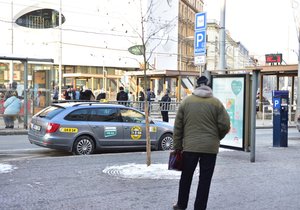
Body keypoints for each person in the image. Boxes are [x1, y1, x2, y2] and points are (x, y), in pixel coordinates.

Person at [173, 76, 231, 210]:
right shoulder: (216, 103)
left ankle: (181, 205)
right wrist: (217, 138)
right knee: (205, 180)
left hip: (190, 147)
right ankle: (199, 207)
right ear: (208, 85)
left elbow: (178, 127)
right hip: (210, 148)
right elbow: (225, 125)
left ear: (196, 86)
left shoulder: (186, 102)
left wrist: (177, 146)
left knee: (186, 177)